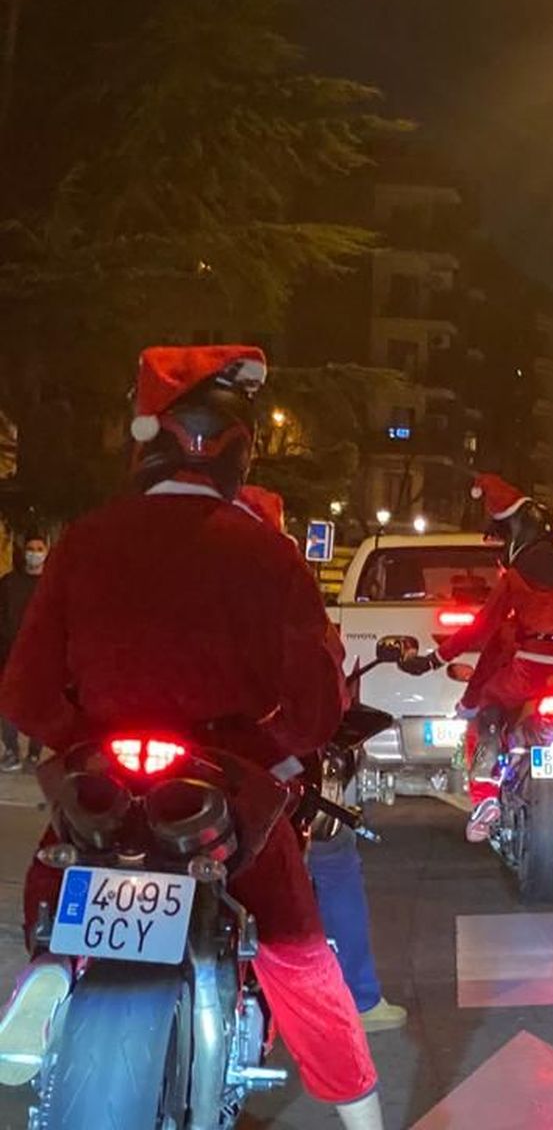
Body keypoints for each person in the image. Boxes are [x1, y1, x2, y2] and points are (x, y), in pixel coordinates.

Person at [0, 345, 383, 1129]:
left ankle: (45, 969)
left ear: (144, 445)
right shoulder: (270, 555)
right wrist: (276, 752)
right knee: (295, 945)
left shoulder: (85, 540)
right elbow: (314, 700)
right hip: (223, 778)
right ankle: (360, 1113)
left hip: (104, 769)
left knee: (60, 867)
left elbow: (26, 690)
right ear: (240, 453)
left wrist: (84, 739)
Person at [234, 484, 408, 1035]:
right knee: (330, 858)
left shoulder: (152, 566)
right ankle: (356, 999)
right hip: (262, 767)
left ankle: (58, 976)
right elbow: (323, 683)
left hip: (131, 762)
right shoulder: (283, 583)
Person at [401, 473, 553, 876]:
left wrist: (433, 659)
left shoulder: (515, 578)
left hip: (532, 673)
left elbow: (480, 630)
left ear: (517, 533)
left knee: (484, 708)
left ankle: (484, 792)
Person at [0, 534, 48, 770]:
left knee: (38, 707)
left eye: (39, 548)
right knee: (8, 706)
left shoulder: (52, 583)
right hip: (10, 656)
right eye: (30, 548)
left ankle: (34, 755)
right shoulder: (9, 583)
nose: (34, 553)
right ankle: (11, 750)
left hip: (42, 657)